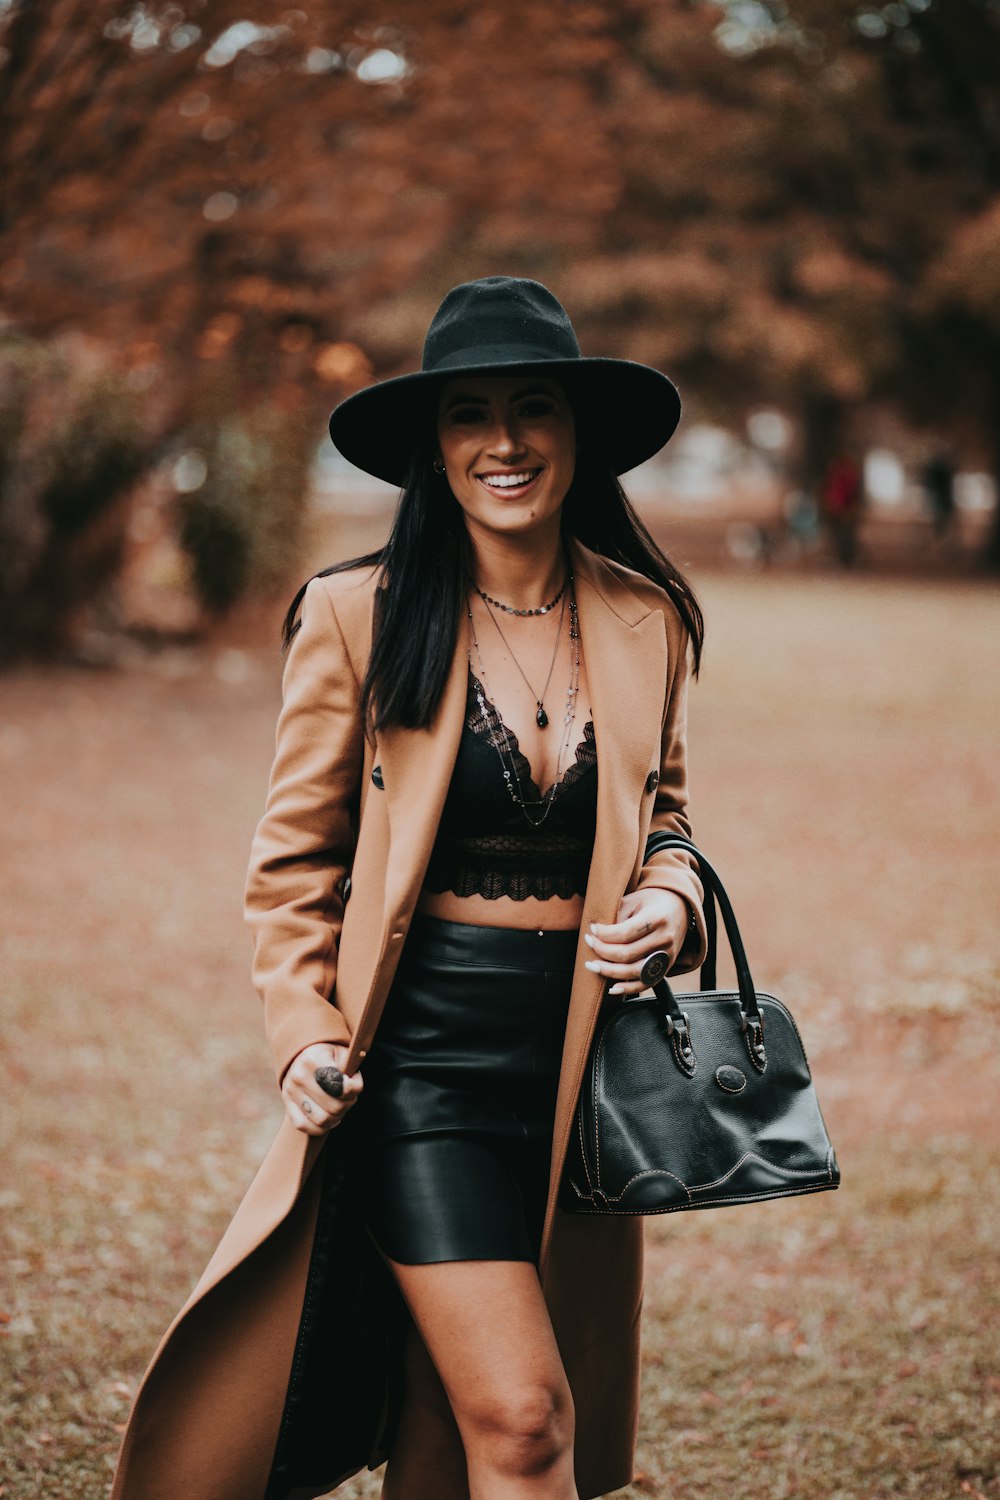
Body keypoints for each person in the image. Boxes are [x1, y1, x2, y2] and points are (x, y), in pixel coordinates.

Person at [110, 276, 708, 1500]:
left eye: (532, 407)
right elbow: (290, 870)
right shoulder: (353, 616)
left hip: (578, 1069)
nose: (503, 442)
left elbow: (670, 821)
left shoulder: (647, 618)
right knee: (531, 1417)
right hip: (420, 1068)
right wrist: (302, 1031)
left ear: (575, 432)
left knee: (454, 1434)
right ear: (433, 450)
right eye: (468, 415)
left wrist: (674, 903)